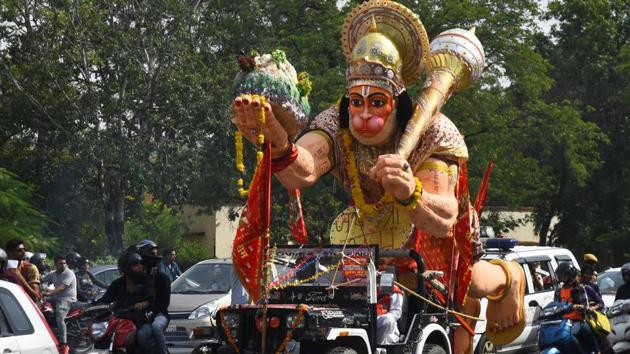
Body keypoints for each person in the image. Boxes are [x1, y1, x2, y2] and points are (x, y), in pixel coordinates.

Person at [231, 1, 525, 351]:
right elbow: (302, 171)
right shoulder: (335, 124)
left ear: (397, 102)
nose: (364, 115)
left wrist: (409, 189)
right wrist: (280, 144)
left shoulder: (434, 132)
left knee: (458, 281)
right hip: (365, 226)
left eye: (377, 102)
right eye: (357, 102)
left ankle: (507, 279)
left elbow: (443, 219)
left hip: (426, 227)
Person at [97, 250, 154, 352]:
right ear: (126, 267)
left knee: (142, 335)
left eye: (141, 263)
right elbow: (105, 299)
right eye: (136, 264)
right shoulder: (117, 284)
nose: (140, 266)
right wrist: (93, 306)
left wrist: (144, 303)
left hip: (140, 320)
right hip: (119, 319)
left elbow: (151, 296)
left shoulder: (146, 281)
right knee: (102, 336)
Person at [554, 262, 599, 353]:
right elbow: (555, 306)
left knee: (570, 336)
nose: (561, 278)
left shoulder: (579, 289)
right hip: (563, 323)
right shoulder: (558, 291)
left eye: (563, 276)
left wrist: (577, 306)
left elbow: (586, 306)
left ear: (570, 275)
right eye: (560, 276)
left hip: (577, 321)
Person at [136, 240, 171, 354]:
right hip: (142, 317)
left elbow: (164, 304)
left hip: (160, 315)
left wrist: (152, 311)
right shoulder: (137, 279)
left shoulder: (163, 278)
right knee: (141, 334)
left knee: (156, 327)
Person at [41, 255, 77, 353]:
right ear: (55, 264)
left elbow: (62, 287)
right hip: (56, 298)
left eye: (64, 263)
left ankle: (63, 343)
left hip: (67, 299)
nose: (63, 265)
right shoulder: (53, 274)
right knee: (41, 307)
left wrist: (49, 292)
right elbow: (42, 279)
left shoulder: (69, 273)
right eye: (60, 263)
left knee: (59, 318)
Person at [581, 264, 613, 354]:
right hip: (579, 317)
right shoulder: (575, 287)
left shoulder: (592, 287)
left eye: (590, 274)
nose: (587, 276)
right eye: (585, 273)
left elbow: (601, 303)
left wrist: (593, 308)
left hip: (592, 316)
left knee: (600, 336)